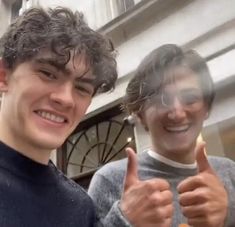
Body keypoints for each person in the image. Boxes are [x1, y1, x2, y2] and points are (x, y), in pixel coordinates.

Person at [88, 44, 235, 227]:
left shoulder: (230, 173)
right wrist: (124, 220)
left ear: (206, 108)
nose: (178, 113)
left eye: (190, 98)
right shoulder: (111, 180)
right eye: (162, 99)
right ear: (141, 114)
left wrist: (226, 217)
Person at [0, 6, 117, 227]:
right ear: (4, 76)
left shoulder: (81, 209)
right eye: (48, 74)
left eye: (82, 88)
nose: (65, 99)